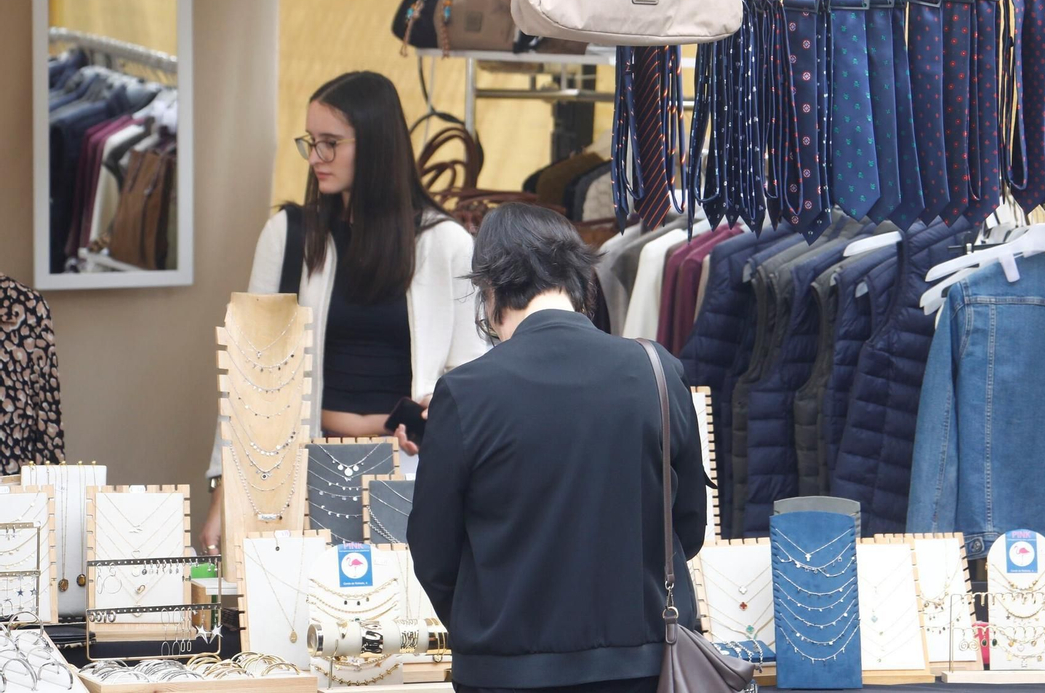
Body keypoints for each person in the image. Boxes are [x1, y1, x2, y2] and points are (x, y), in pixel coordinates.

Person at [409, 204, 707, 693]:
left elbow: (434, 551)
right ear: (579, 282)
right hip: (642, 664)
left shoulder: (465, 392)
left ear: (489, 291)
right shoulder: (656, 370)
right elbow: (688, 526)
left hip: (506, 671)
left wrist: (487, 620)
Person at [200, 71, 484, 553]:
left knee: (404, 622)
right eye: (311, 142)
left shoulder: (446, 245)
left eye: (330, 143)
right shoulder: (289, 235)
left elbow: (472, 379)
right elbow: (251, 380)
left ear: (376, 146)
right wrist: (224, 495)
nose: (315, 157)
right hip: (295, 471)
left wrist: (433, 417)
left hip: (410, 471)